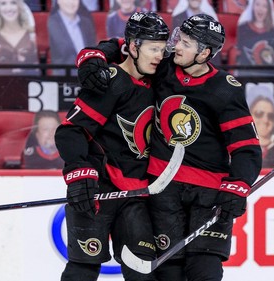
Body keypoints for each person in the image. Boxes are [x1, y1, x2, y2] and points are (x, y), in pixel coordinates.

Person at [76, 13, 262, 281]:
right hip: (164, 188)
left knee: (204, 269)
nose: (176, 47)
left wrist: (239, 184)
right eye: (179, 39)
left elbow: (246, 147)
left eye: (186, 43)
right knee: (168, 271)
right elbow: (124, 44)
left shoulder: (224, 89)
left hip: (209, 193)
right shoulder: (163, 67)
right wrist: (93, 57)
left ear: (204, 53)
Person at [55, 12, 170, 281]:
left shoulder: (159, 77)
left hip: (136, 196)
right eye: (153, 49)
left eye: (162, 50)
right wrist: (79, 171)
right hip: (99, 191)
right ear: (133, 47)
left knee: (143, 271)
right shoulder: (111, 80)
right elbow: (71, 131)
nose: (158, 56)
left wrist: (95, 52)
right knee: (83, 269)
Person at [0, 0, 40, 76]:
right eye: (3, 3)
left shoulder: (31, 34)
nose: (9, 8)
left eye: (13, 3)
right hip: (1, 82)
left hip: (31, 82)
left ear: (19, 6)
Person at [235, 0, 274, 77]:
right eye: (257, 4)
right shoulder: (242, 29)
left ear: (269, 10)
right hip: (246, 77)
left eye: (264, 6)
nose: (260, 9)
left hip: (270, 78)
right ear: (252, 7)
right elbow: (239, 59)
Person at [48, 0, 96, 76]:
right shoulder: (51, 23)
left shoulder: (87, 22)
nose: (71, 2)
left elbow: (93, 50)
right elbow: (64, 53)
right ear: (58, 1)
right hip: (65, 76)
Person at [249, 93, 274, 168]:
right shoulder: (239, 145)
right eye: (259, 113)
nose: (265, 120)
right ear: (250, 115)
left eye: (270, 116)